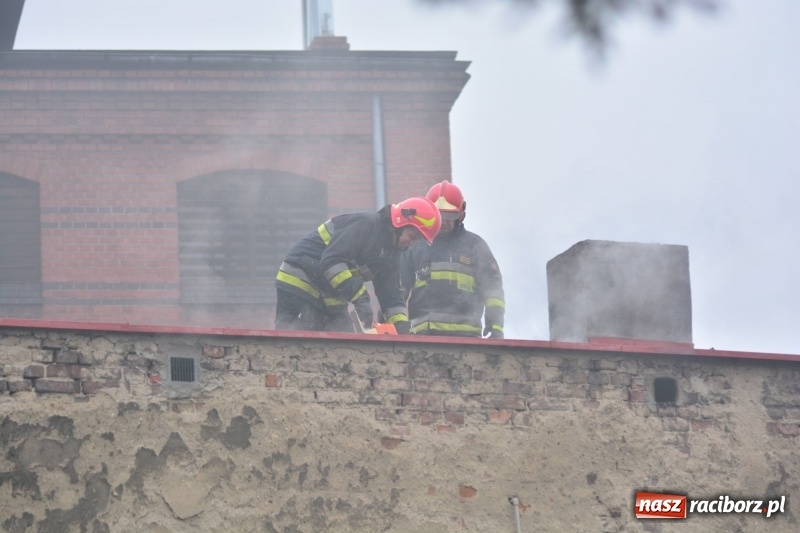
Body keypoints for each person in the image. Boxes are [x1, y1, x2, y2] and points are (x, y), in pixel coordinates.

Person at [275, 197, 441, 333]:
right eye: (411, 236)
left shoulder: (391, 254)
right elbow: (332, 262)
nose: (411, 243)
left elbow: (390, 296)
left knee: (345, 342)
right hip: (299, 283)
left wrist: (402, 327)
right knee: (293, 341)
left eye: (416, 240)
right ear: (400, 224)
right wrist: (360, 298)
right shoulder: (366, 225)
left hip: (329, 294)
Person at [401, 180, 505, 338]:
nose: (444, 221)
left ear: (461, 213)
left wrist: (495, 325)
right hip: (422, 338)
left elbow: (493, 289)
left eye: (450, 215)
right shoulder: (415, 245)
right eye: (439, 214)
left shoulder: (475, 245)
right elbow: (398, 289)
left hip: (466, 339)